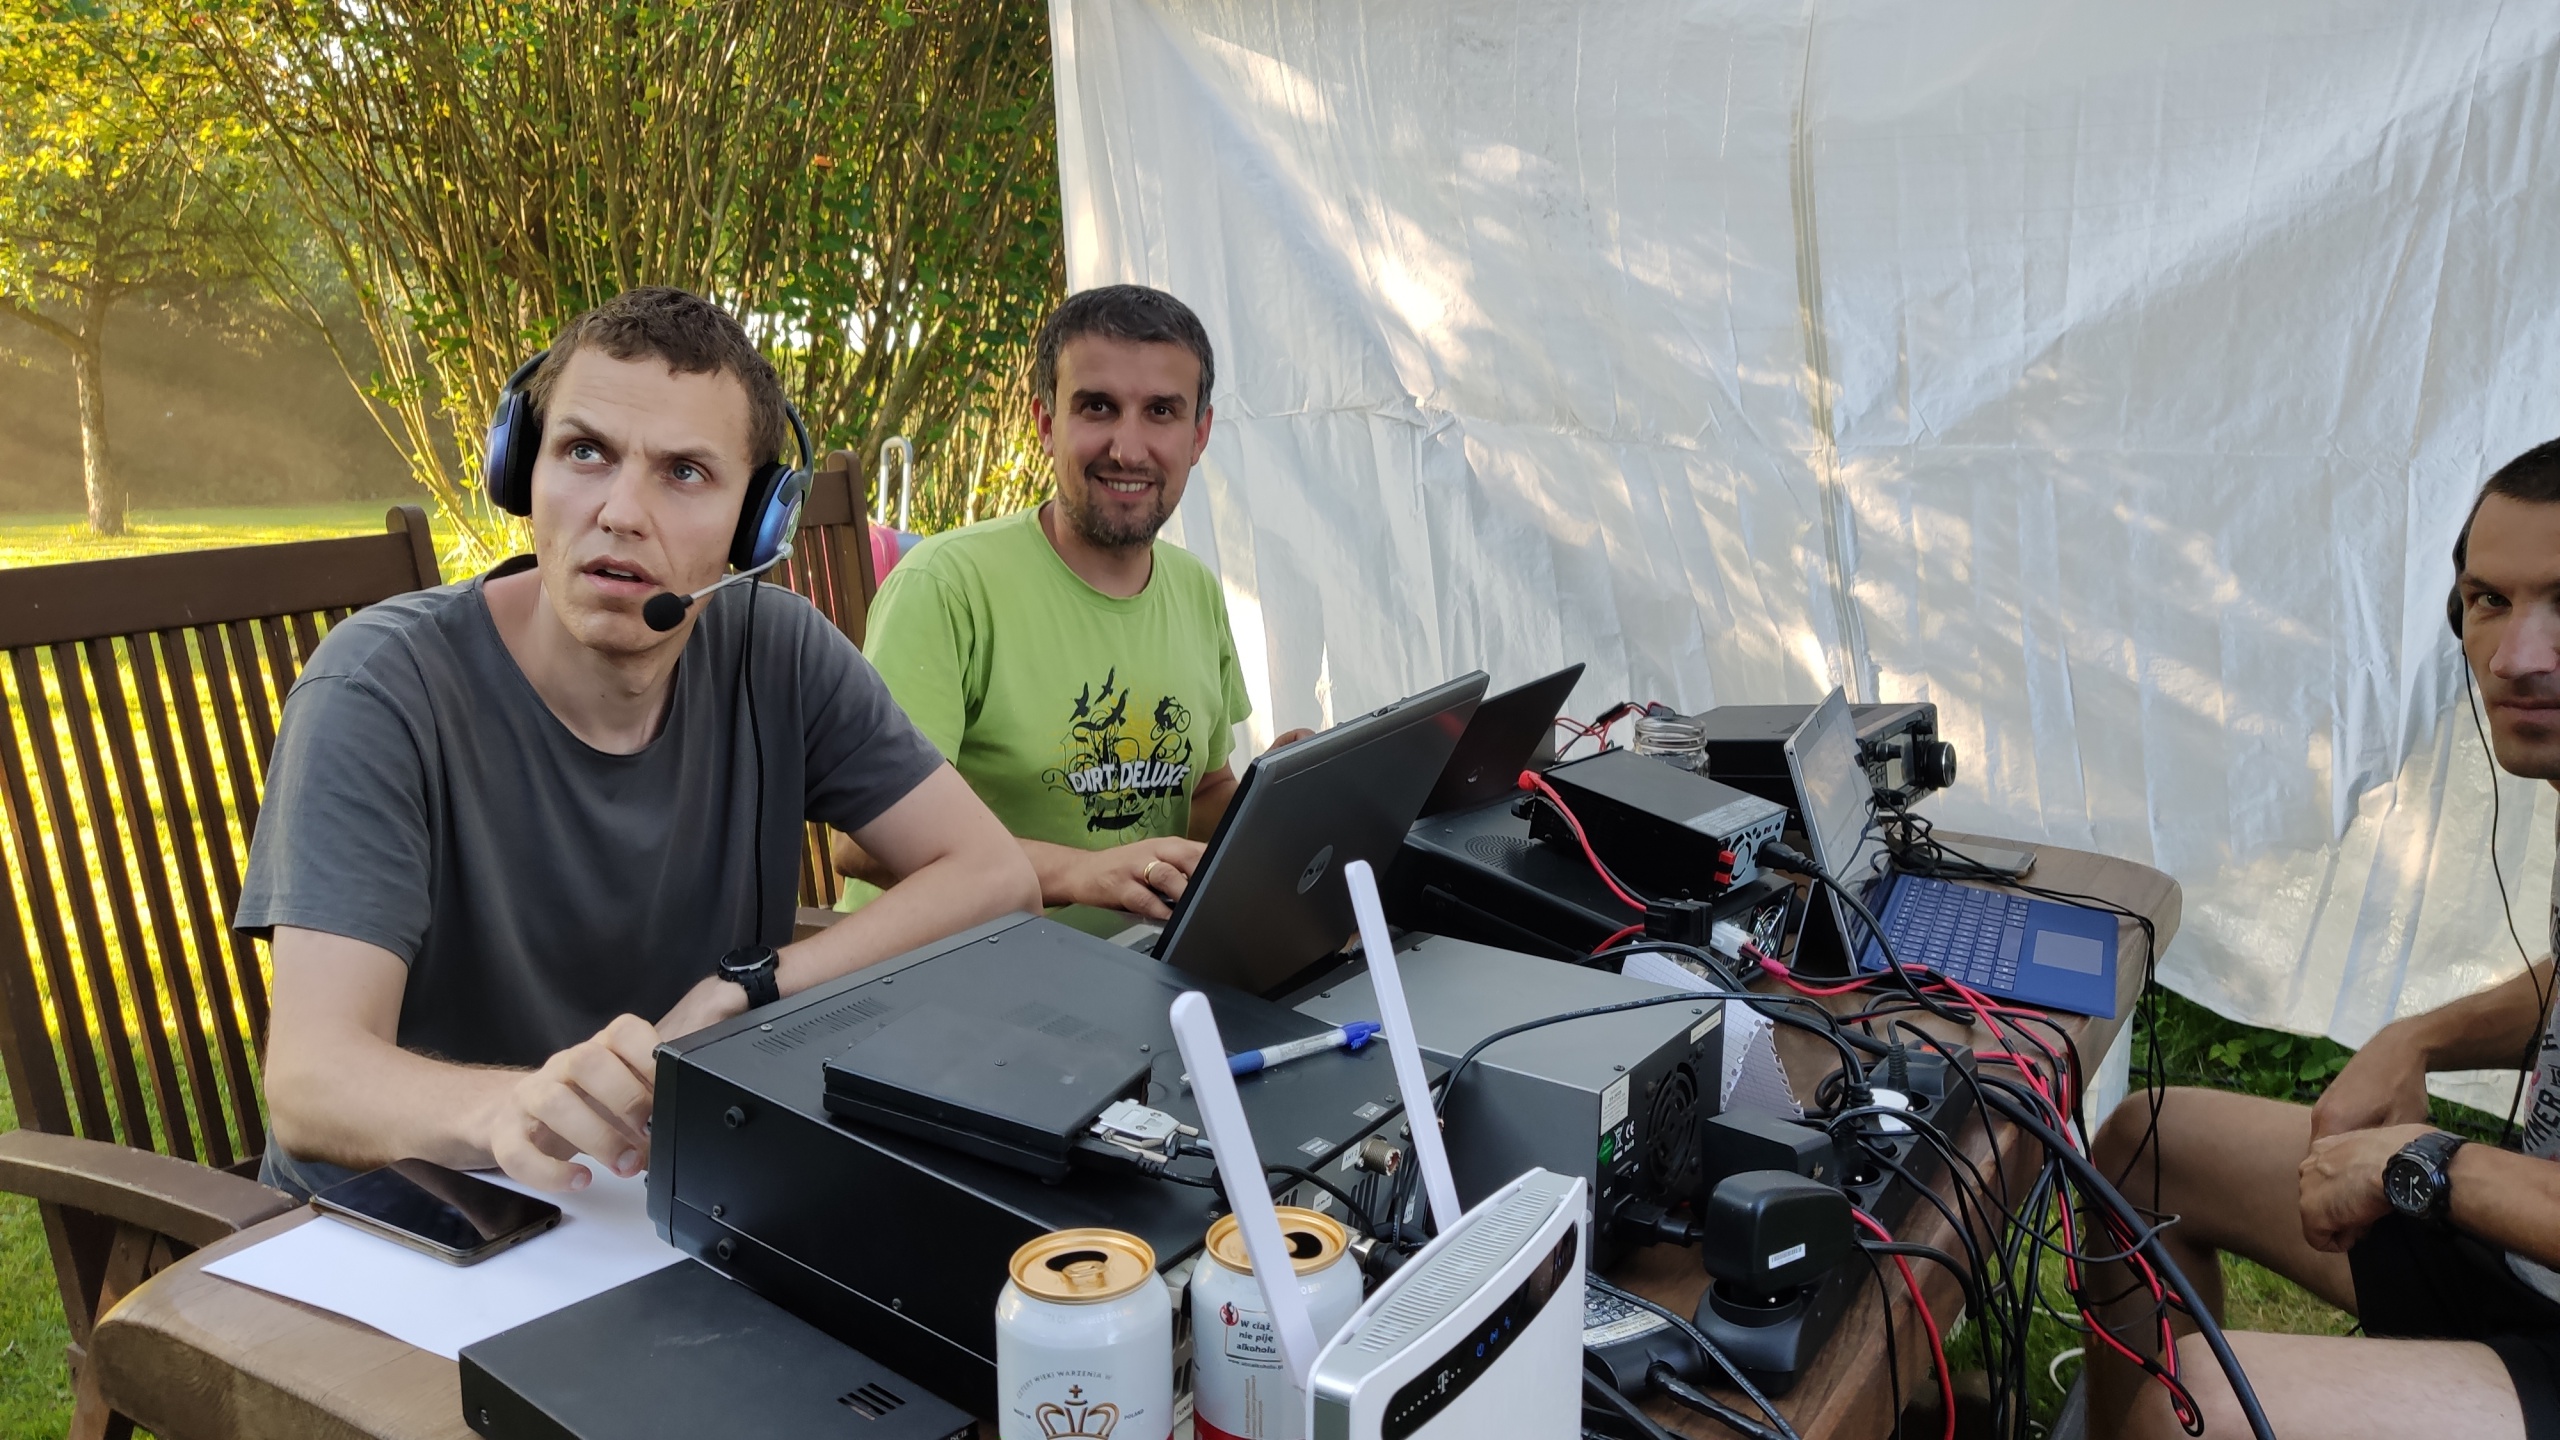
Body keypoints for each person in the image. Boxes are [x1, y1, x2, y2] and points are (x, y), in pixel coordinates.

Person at [238, 287, 1039, 1198]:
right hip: (404, 1221)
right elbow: (311, 1081)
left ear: (756, 525)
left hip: (657, 1197)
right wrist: (511, 1108)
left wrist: (755, 988)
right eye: (586, 452)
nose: (621, 510)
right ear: (521, 468)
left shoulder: (776, 652)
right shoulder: (379, 687)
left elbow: (994, 876)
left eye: (684, 472)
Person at [2089, 438, 2560, 1440]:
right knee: (2144, 1145)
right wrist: (2416, 1037)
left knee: (2197, 1407)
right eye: (2489, 601)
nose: (2516, 658)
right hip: (2523, 1254)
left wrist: (2425, 1164)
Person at [832, 286, 1308, 919]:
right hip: (952, 965)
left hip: (1145, 962)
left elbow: (1198, 799)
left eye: (1161, 411)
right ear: (1045, 424)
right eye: (1098, 407)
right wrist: (1083, 874)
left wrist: (1268, 802)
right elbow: (861, 841)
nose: (1128, 449)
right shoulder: (946, 587)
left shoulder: (1194, 589)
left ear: (1199, 435)